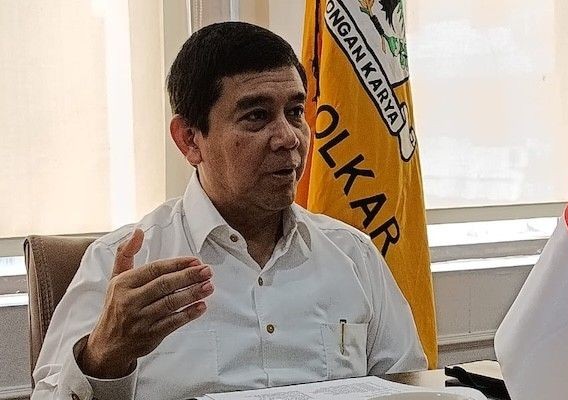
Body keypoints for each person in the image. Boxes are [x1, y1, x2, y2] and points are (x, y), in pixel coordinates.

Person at [31, 21, 426, 400]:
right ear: (190, 140)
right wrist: (103, 354)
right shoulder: (123, 264)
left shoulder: (353, 255)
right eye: (256, 116)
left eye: (295, 112)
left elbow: (410, 387)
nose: (288, 138)